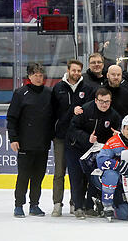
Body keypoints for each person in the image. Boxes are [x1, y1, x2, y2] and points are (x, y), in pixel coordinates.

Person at [66, 87, 123, 219]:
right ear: (96, 100)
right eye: (101, 101)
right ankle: (78, 207)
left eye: (107, 102)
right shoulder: (85, 110)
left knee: (94, 177)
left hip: (97, 151)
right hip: (76, 149)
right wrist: (87, 138)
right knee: (77, 178)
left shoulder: (113, 115)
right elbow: (72, 129)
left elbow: (119, 130)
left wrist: (117, 135)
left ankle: (90, 206)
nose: (104, 104)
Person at [7, 63, 55, 217]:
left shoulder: (49, 93)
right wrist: (13, 138)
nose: (38, 78)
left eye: (41, 75)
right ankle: (18, 205)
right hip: (25, 144)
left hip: (42, 144)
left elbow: (53, 117)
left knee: (38, 177)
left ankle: (34, 204)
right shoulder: (20, 93)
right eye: (35, 75)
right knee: (23, 176)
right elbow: (12, 118)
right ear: (29, 76)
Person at [49, 59, 95, 217]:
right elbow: (53, 113)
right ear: (68, 70)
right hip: (61, 137)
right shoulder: (58, 88)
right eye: (73, 70)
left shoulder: (87, 89)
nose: (75, 73)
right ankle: (57, 203)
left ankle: (75, 202)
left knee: (79, 173)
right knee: (59, 172)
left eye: (78, 71)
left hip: (79, 139)